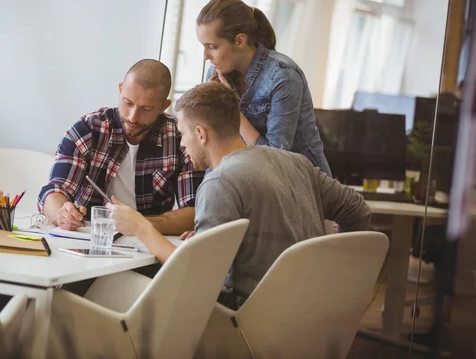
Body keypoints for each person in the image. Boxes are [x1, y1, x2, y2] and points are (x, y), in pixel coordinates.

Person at [107, 82, 371, 309]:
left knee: (117, 288)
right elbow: (358, 210)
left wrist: (141, 227)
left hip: (247, 318)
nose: (182, 144)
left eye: (183, 134)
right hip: (309, 313)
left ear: (201, 134)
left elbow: (199, 275)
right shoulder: (296, 162)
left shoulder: (219, 182)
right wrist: (336, 275)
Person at [38, 59, 205, 235]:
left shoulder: (180, 138)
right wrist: (61, 214)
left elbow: (194, 211)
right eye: (128, 103)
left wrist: (138, 225)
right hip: (89, 239)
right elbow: (54, 190)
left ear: (164, 106)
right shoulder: (87, 130)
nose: (133, 117)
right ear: (120, 89)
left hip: (149, 246)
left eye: (146, 109)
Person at [196, 0, 331, 175]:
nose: (205, 56)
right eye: (203, 46)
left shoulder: (283, 75)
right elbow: (215, 144)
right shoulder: (216, 73)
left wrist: (232, 109)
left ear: (240, 41)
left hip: (302, 187)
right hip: (251, 180)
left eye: (212, 46)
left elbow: (274, 158)